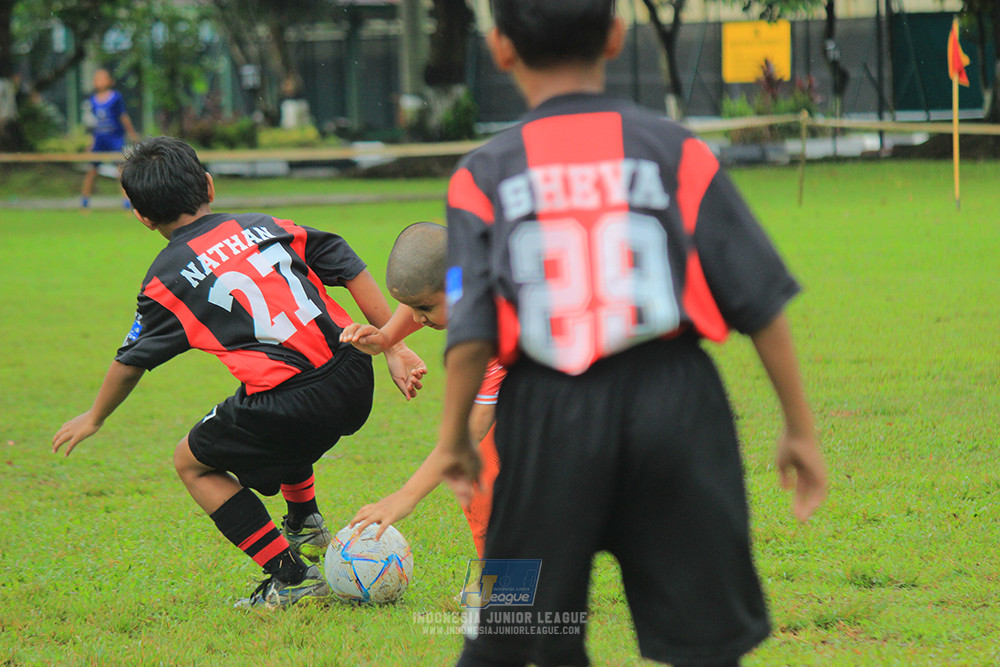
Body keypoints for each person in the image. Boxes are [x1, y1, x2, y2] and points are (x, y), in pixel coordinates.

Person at [434, 1, 828, 666]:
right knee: (705, 643)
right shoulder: (678, 150)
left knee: (512, 634)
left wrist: (453, 441)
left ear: (501, 48)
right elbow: (759, 300)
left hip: (543, 417)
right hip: (677, 405)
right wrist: (799, 426)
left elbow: (469, 332)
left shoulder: (483, 174)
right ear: (616, 36)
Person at [53, 136, 426, 609]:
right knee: (262, 398)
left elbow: (131, 361)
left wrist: (95, 416)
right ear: (209, 185)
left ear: (143, 217)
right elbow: (344, 260)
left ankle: (291, 577)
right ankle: (304, 522)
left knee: (192, 461)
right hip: (352, 373)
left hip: (291, 404)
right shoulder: (265, 224)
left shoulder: (165, 279)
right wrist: (392, 345)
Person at [341, 222, 502, 558]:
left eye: (424, 309)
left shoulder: (492, 327)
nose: (416, 317)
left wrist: (405, 496)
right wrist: (386, 338)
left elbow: (470, 431)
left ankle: (509, 589)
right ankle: (504, 584)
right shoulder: (474, 273)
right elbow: (424, 290)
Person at [81, 68, 139, 209]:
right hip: (99, 140)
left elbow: (123, 116)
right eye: (97, 78)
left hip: (115, 139)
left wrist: (132, 133)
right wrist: (91, 142)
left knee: (121, 170)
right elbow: (92, 123)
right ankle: (84, 201)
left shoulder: (116, 97)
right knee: (92, 170)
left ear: (109, 81)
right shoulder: (92, 100)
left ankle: (127, 202)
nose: (99, 81)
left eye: (102, 78)